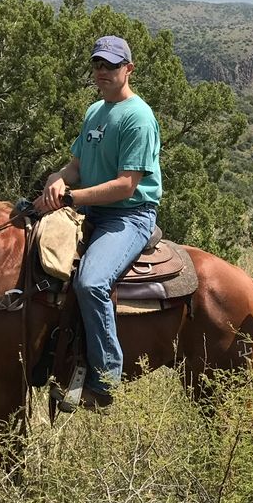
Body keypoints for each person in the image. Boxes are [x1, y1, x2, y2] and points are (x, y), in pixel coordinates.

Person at [35, 35, 162, 407]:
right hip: (90, 210)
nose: (102, 72)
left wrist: (72, 197)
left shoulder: (138, 118)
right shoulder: (95, 112)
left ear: (129, 69)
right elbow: (75, 167)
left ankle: (105, 381)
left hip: (128, 216)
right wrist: (57, 180)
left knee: (91, 282)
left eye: (110, 65)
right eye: (97, 65)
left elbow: (126, 185)